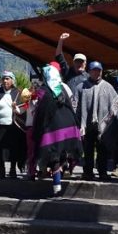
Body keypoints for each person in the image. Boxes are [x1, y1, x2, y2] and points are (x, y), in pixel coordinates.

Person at [32, 62, 83, 197]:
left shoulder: (44, 91)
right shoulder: (63, 87)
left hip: (53, 129)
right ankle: (64, 170)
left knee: (54, 156)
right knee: (63, 153)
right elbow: (72, 105)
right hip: (69, 127)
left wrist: (37, 129)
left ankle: (57, 188)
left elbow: (40, 112)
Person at [76, 61, 118, 181]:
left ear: (102, 71)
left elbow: (116, 104)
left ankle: (102, 172)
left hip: (104, 126)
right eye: (94, 70)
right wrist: (78, 122)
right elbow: (76, 107)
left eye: (98, 70)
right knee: (88, 150)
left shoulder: (108, 87)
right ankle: (88, 172)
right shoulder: (81, 87)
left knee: (103, 149)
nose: (96, 72)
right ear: (89, 71)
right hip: (87, 125)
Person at [0, 71, 21, 178]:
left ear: (12, 80)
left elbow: (22, 110)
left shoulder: (17, 93)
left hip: (13, 125)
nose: (5, 81)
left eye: (7, 79)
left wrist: (15, 107)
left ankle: (13, 169)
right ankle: (2, 169)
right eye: (3, 79)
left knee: (13, 148)